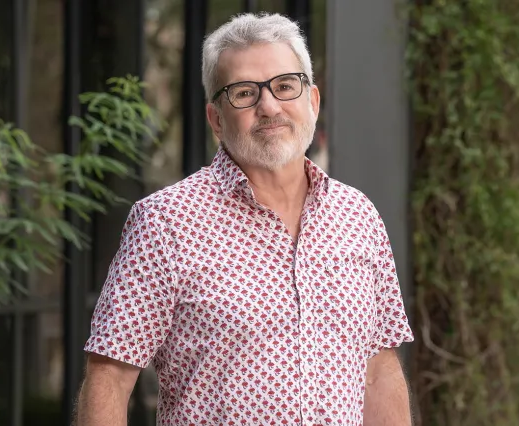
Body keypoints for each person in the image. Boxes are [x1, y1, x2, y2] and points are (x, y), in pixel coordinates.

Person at [74, 12, 414, 426]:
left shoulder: (357, 216)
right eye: (244, 93)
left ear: (313, 100)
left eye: (285, 86)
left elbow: (379, 371)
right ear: (216, 118)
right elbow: (109, 377)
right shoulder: (165, 223)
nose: (269, 106)